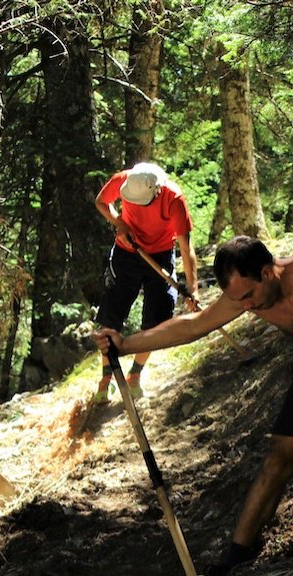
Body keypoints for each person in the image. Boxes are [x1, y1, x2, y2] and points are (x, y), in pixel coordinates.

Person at [95, 235, 293, 576]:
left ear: (267, 273)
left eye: (248, 296)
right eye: (238, 300)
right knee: (281, 455)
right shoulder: (246, 294)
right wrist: (127, 343)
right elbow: (194, 326)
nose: (245, 307)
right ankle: (235, 559)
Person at [92, 161, 200, 403]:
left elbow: (185, 247)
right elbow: (101, 201)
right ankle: (106, 379)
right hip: (125, 253)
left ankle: (134, 375)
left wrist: (192, 289)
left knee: (157, 319)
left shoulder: (174, 199)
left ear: (157, 191)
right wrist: (120, 223)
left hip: (160, 255)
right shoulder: (124, 180)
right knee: (111, 316)